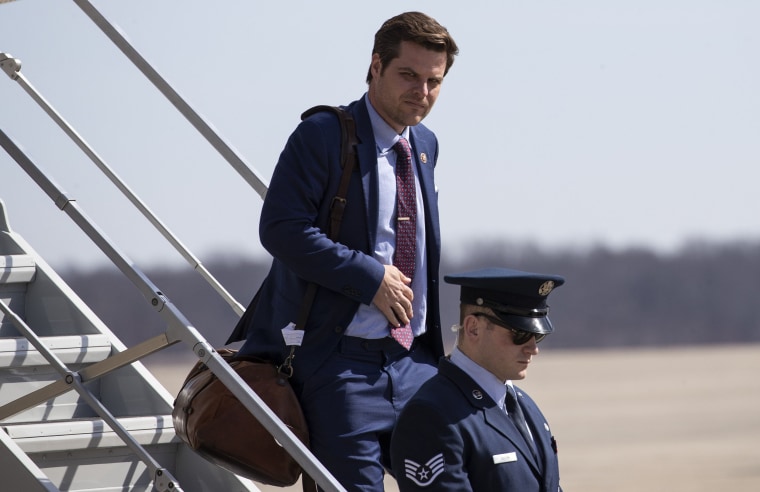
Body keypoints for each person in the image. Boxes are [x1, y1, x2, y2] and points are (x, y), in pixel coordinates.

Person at [233, 11, 459, 491]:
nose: (421, 92)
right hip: (339, 365)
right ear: (375, 66)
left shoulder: (425, 145)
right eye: (408, 75)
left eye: (433, 81)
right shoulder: (322, 135)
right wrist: (369, 276)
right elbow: (281, 229)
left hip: (415, 362)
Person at [390, 267, 565, 492]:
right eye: (519, 334)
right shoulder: (431, 417)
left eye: (538, 336)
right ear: (473, 328)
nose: (533, 348)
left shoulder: (525, 406)